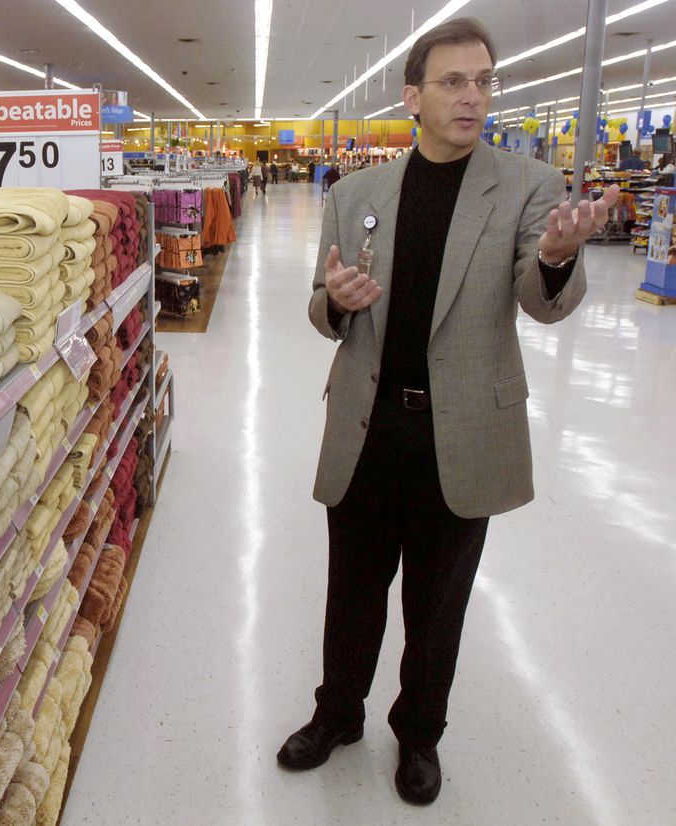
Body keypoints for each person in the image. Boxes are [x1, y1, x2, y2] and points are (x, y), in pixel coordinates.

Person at [282, 17, 618, 806]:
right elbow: (318, 306)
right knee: (352, 588)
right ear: (413, 96)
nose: (473, 96)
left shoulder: (526, 184)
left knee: (438, 603)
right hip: (367, 426)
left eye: (484, 81)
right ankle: (338, 714)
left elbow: (542, 303)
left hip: (459, 426)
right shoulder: (356, 192)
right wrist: (332, 303)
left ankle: (420, 736)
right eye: (453, 82)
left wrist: (559, 257)